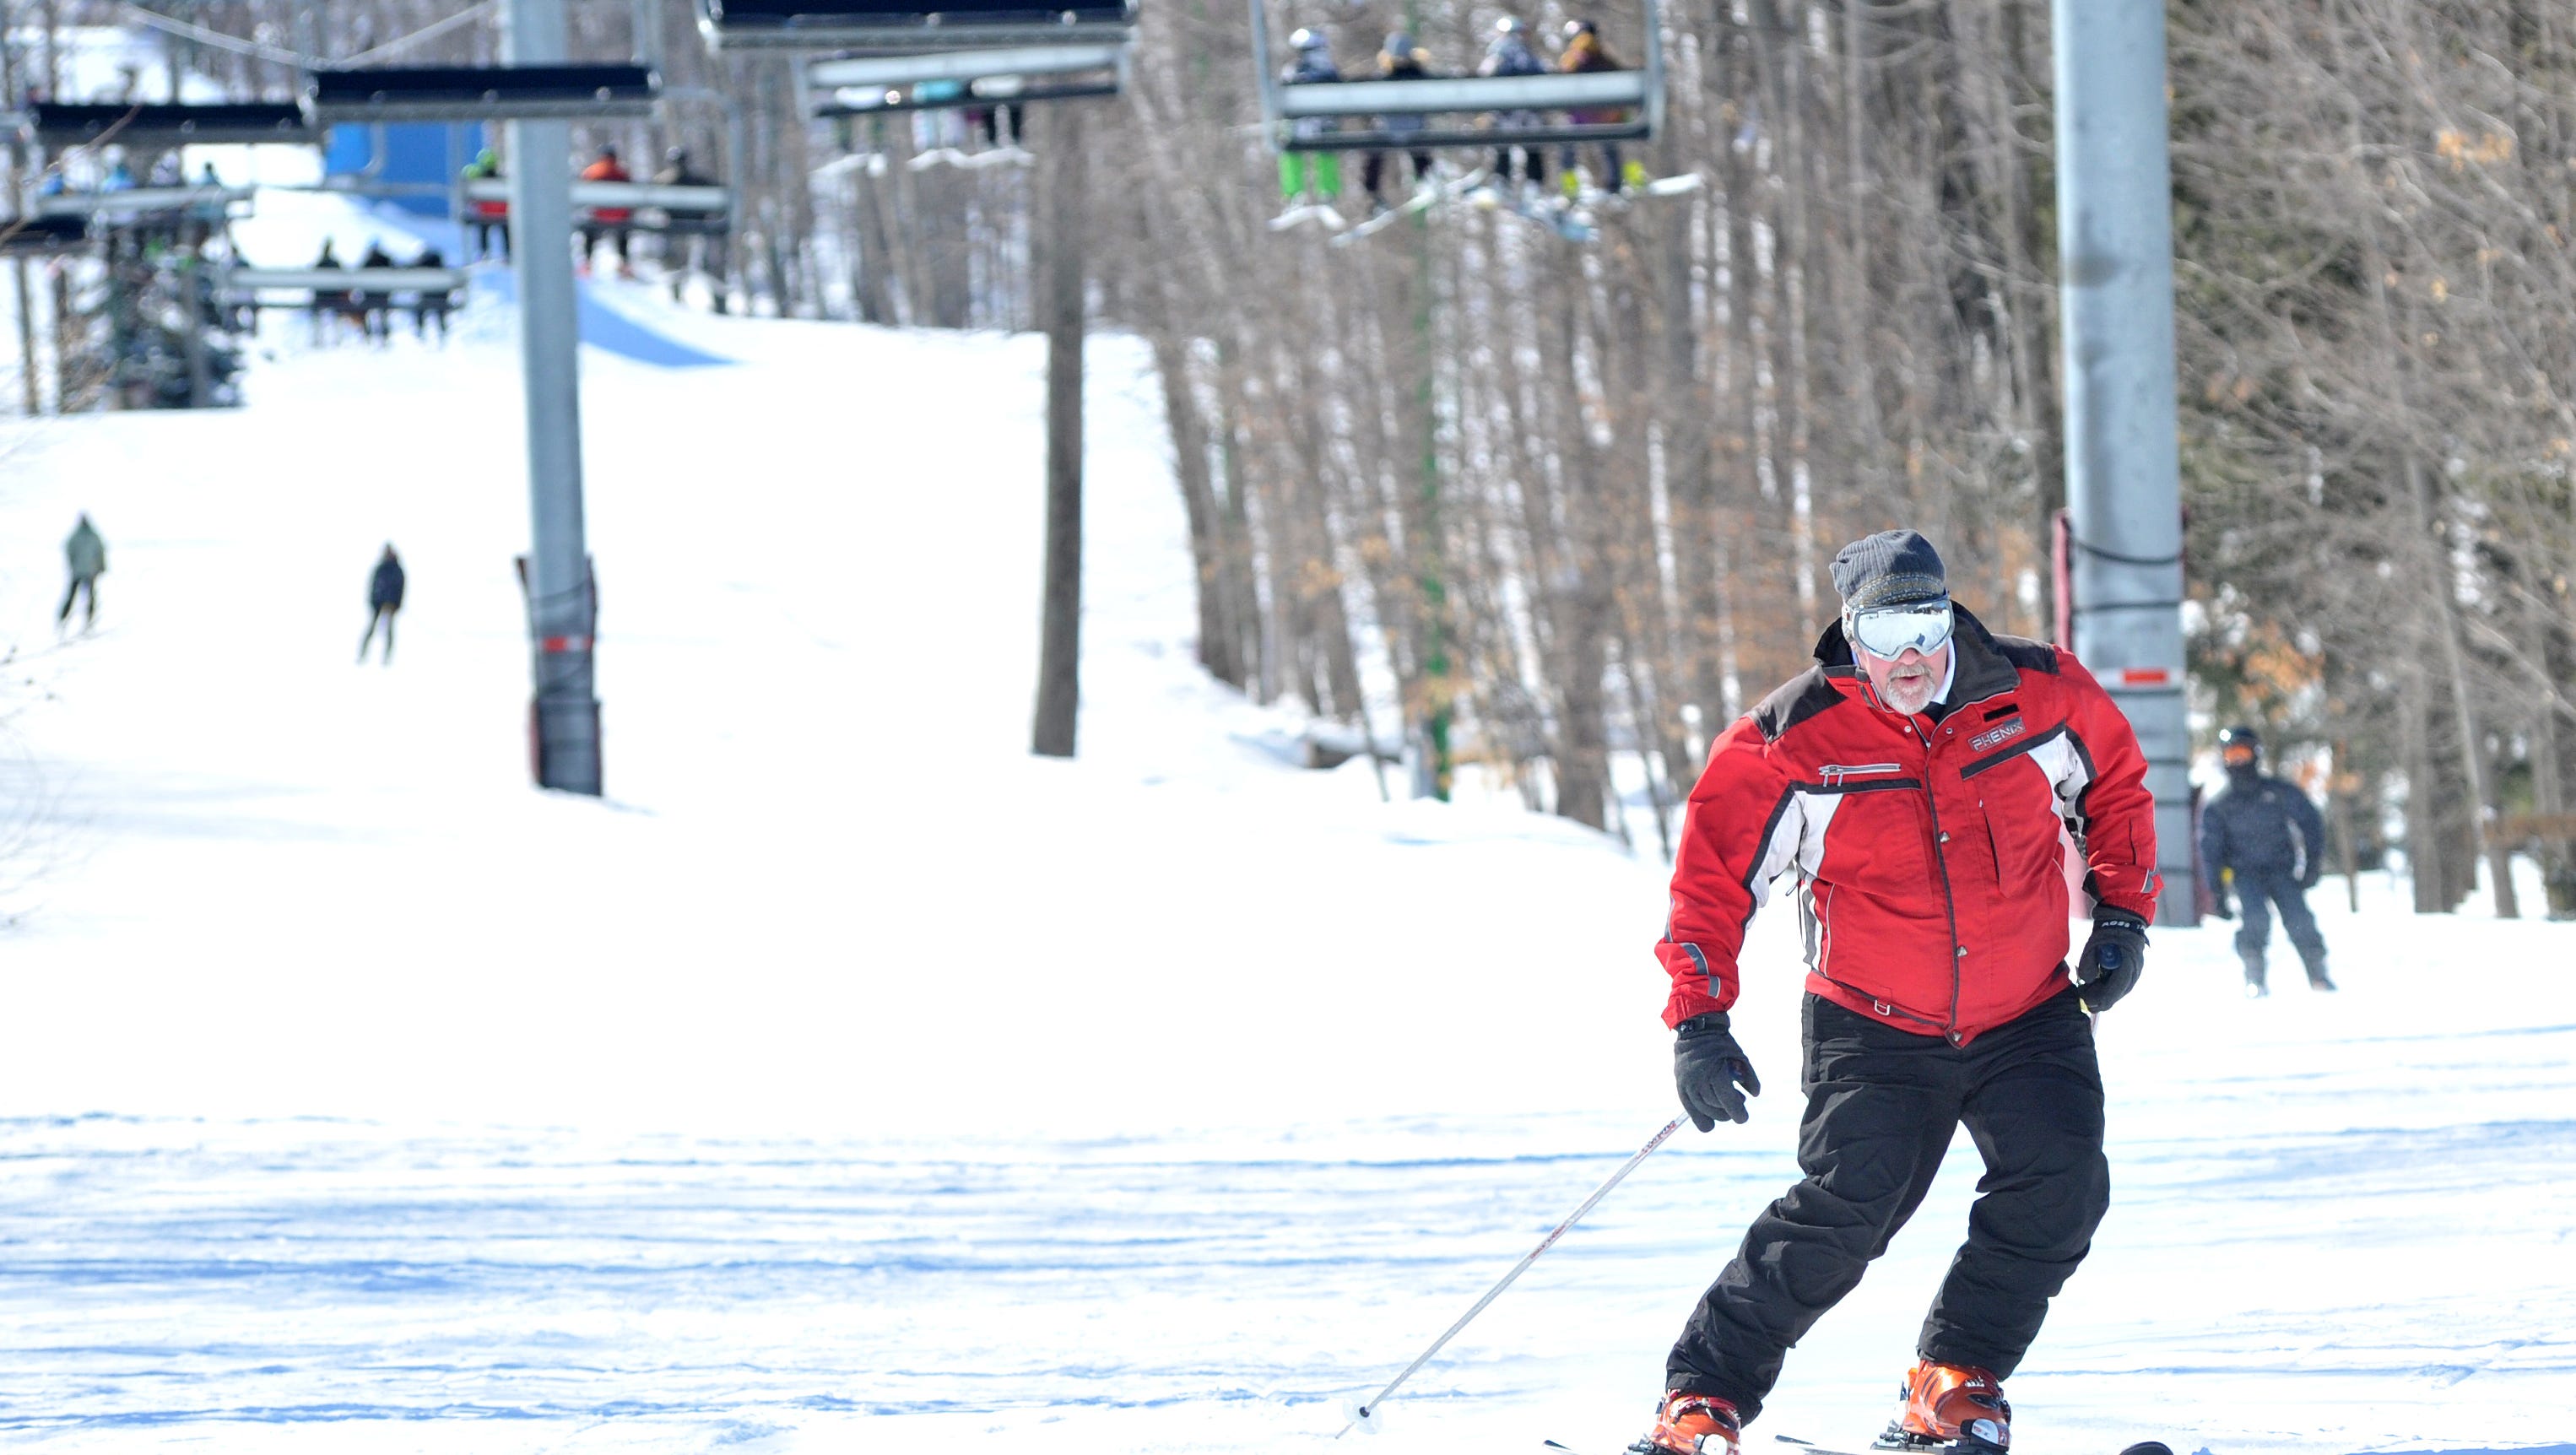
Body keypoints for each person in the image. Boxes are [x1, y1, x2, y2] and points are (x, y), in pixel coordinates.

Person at [1634, 529, 2159, 1455]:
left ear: (1950, 615)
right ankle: (1704, 1395)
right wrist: (1701, 1019)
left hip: (2027, 1009)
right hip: (1872, 1021)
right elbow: (1711, 884)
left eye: (1925, 624)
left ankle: (1952, 1376)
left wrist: (2121, 914)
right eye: (1884, 632)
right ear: (1851, 632)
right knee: (1847, 1212)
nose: (1908, 654)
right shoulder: (1786, 741)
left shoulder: (2039, 691)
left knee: (2063, 1186)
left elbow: (2113, 790)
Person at [2198, 725, 2333, 996]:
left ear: (2255, 754)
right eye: (2232, 755)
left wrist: (2312, 866)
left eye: (2243, 753)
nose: (2238, 761)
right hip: (2246, 876)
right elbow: (2212, 852)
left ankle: (2319, 977)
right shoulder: (2220, 805)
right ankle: (2255, 979)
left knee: (2300, 920)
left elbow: (2311, 823)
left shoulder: (2278, 792)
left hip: (2282, 871)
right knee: (2255, 921)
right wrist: (2217, 893)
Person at [1559, 19, 1644, 195]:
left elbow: (1565, 78)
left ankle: (1570, 186)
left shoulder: (1575, 56)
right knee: (1613, 146)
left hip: (1583, 114)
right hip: (1607, 113)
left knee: (1568, 147)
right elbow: (1618, 77)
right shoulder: (1603, 55)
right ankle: (1621, 181)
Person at [1362, 32, 1437, 213]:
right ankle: (1375, 195)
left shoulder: (1414, 73)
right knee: (1375, 154)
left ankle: (1425, 179)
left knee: (1417, 149)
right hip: (1393, 125)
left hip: (1407, 126)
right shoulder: (1389, 74)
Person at [1479, 17, 1550, 193]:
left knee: (1509, 147)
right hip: (1519, 111)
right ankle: (1530, 184)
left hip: (1511, 111)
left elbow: (1484, 78)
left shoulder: (1503, 54)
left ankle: (1508, 182)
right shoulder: (1519, 54)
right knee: (1524, 147)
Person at [1278, 28, 1344, 203]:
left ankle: (1327, 192)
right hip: (1300, 121)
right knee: (1290, 147)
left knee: (1326, 150)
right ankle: (1295, 194)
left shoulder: (1329, 71)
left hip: (1323, 122)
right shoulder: (1294, 70)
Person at [578, 143, 634, 276]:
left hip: (598, 215)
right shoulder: (621, 172)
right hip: (619, 216)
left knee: (589, 232)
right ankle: (625, 264)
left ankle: (587, 263)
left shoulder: (593, 171)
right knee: (623, 234)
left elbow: (583, 191)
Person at [58, 513, 106, 631]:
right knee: (88, 596)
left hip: (79, 571)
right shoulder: (93, 536)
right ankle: (88, 618)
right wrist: (101, 567)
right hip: (89, 571)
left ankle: (64, 618)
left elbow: (70, 550)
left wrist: (72, 564)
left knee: (75, 596)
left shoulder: (76, 536)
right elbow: (100, 552)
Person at [360, 544, 405, 664]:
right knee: (371, 629)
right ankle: (362, 655)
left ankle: (387, 658)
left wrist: (395, 604)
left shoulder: (397, 570)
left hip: (390, 606)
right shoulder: (381, 568)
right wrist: (374, 601)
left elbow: (400, 589)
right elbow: (373, 586)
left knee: (389, 631)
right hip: (378, 604)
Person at [463, 148, 510, 261]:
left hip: (485, 215)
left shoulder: (478, 179)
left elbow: (472, 198)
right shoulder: (501, 178)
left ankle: (484, 253)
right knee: (505, 231)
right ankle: (508, 253)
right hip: (501, 215)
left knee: (483, 230)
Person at [356, 240, 398, 345]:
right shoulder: (385, 260)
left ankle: (369, 336)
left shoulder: (368, 260)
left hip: (372, 294)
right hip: (381, 294)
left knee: (372, 315)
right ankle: (382, 337)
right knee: (382, 316)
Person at [411, 246, 455, 343]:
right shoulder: (442, 269)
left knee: (420, 310)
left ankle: (421, 332)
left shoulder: (420, 268)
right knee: (440, 313)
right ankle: (443, 332)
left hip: (426, 298)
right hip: (440, 299)